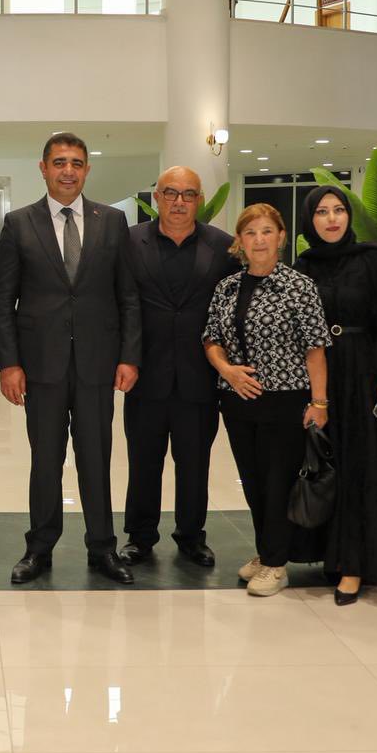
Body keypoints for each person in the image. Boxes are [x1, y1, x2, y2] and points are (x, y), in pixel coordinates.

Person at [0, 132, 141, 585]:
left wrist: (129, 356)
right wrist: (9, 364)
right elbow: (3, 301)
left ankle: (103, 548)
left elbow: (128, 296)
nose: (68, 171)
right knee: (45, 461)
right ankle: (39, 548)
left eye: (76, 163)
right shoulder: (19, 223)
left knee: (96, 459)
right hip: (42, 366)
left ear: (87, 170)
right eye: (59, 162)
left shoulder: (112, 221)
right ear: (43, 168)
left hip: (98, 363)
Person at [294, 186, 377, 604]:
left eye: (338, 210)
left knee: (365, 465)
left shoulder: (372, 259)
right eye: (322, 212)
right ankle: (332, 554)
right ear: (309, 220)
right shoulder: (303, 266)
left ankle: (356, 564)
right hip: (319, 376)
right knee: (328, 464)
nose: (332, 219)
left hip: (365, 374)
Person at [203, 203, 330, 596]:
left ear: (281, 237)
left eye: (267, 232)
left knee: (278, 483)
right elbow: (211, 338)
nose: (259, 240)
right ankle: (266, 551)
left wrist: (320, 403)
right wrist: (226, 370)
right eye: (251, 232)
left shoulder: (298, 286)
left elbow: (315, 348)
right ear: (239, 241)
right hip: (238, 400)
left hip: (285, 400)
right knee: (253, 482)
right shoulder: (227, 287)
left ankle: (276, 564)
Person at [118, 166, 236, 570]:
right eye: (170, 193)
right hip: (145, 375)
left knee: (195, 465)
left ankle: (191, 536)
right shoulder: (130, 241)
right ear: (157, 197)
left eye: (188, 194)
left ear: (199, 200)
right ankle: (140, 537)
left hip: (198, 377)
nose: (179, 202)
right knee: (143, 463)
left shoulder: (223, 246)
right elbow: (120, 302)